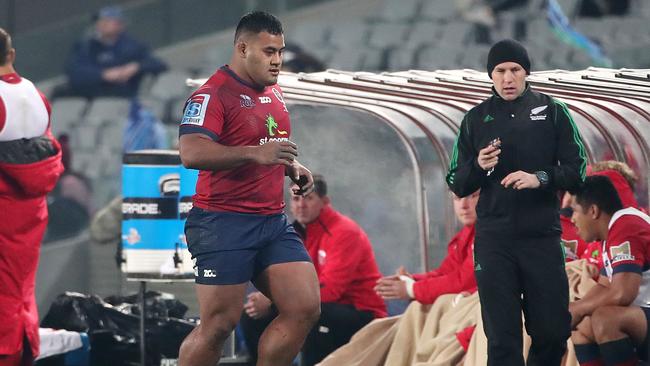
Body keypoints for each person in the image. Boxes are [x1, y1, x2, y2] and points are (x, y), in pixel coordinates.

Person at [177, 11, 320, 366]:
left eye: (280, 51)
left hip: (271, 222)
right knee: (219, 325)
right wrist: (257, 154)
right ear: (242, 48)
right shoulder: (211, 95)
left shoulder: (274, 91)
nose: (277, 61)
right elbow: (191, 152)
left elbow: (268, 142)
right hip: (222, 222)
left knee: (303, 308)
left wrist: (289, 165)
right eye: (269, 51)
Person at [445, 38, 588, 365]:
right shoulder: (475, 119)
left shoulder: (553, 111)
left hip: (542, 237)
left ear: (526, 73)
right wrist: (479, 166)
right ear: (490, 76)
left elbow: (577, 170)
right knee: (502, 338)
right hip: (495, 241)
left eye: (514, 70)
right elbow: (456, 182)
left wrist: (539, 178)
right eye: (500, 71)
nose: (507, 78)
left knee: (552, 331)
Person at [240, 175, 387, 366]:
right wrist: (267, 297)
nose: (301, 204)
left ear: (324, 202)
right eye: (296, 198)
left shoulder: (344, 232)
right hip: (317, 303)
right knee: (252, 316)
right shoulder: (292, 234)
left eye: (308, 198)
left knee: (312, 316)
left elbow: (331, 291)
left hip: (361, 312)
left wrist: (274, 301)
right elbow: (283, 278)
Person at [0, 28, 64, 365]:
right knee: (20, 291)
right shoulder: (37, 97)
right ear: (11, 55)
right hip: (31, 214)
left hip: (3, 213)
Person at [569, 175, 650, 365]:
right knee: (582, 324)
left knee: (605, 319)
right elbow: (605, 286)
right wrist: (572, 311)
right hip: (644, 316)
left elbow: (623, 294)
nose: (572, 219)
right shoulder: (613, 231)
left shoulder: (626, 227)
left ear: (593, 211)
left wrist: (579, 309)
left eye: (574, 211)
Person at [374, 190, 479, 304]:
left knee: (429, 307)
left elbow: (465, 281)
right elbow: (446, 272)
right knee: (418, 309)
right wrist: (413, 280)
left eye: (473, 196)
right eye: (457, 198)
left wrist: (411, 289)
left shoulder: (488, 235)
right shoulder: (466, 235)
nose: (463, 206)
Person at [60, 5, 167, 99]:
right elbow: (73, 71)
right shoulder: (86, 46)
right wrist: (103, 75)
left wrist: (135, 67)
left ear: (120, 24)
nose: (102, 24)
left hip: (121, 95)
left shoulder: (133, 46)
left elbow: (159, 65)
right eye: (101, 21)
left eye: (108, 21)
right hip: (90, 94)